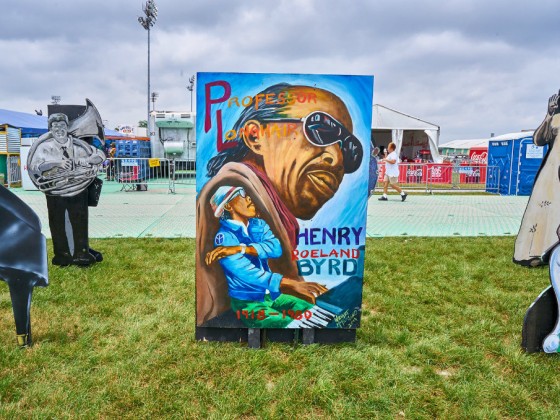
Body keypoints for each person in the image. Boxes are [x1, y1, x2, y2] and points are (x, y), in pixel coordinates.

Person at [197, 83, 364, 324]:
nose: (337, 158)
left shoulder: (261, 219)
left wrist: (246, 248)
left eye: (349, 150)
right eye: (320, 130)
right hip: (245, 307)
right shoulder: (231, 190)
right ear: (255, 136)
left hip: (269, 295)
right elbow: (242, 270)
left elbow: (272, 249)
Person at [205, 186, 327, 328]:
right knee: (288, 324)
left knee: (312, 312)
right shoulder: (225, 237)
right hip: (248, 303)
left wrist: (243, 248)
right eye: (242, 194)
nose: (249, 197)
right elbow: (249, 274)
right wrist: (292, 284)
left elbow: (276, 249)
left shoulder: (258, 224)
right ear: (227, 205)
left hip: (272, 296)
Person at [28, 113, 105, 266]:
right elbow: (35, 167)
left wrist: (86, 160)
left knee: (80, 222)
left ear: (67, 127)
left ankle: (81, 254)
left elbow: (100, 156)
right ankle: (61, 255)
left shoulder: (78, 145)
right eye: (55, 127)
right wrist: (55, 164)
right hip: (55, 191)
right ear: (50, 128)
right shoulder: (43, 147)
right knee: (57, 223)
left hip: (78, 189)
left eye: (62, 126)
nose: (59, 129)